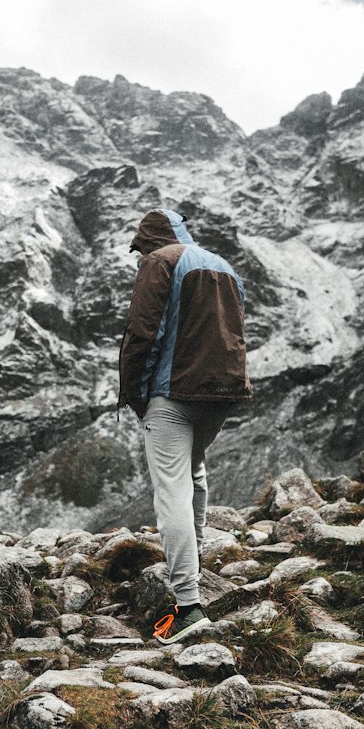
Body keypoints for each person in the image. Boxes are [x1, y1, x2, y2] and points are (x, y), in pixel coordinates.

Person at [118, 207, 251, 640]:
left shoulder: (161, 261)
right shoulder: (223, 265)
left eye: (139, 249)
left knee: (171, 488)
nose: (139, 258)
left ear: (149, 240)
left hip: (173, 391)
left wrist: (136, 394)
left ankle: (188, 607)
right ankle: (193, 569)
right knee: (194, 471)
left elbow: (142, 332)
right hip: (223, 393)